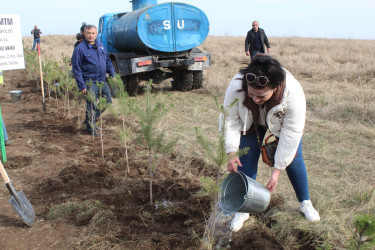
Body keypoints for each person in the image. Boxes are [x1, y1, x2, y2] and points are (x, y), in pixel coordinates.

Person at [220, 54, 320, 232]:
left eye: (261, 96)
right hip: (250, 121)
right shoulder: (236, 85)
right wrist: (231, 152)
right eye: (251, 94)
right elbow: (230, 119)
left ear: (274, 88)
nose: (255, 100)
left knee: (294, 160)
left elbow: (291, 135)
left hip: (280, 125)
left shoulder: (293, 93)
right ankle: (243, 210)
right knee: (246, 157)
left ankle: (305, 202)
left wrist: (277, 170)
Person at [71, 24, 115, 137]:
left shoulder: (101, 46)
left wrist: (112, 73)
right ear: (84, 34)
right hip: (89, 83)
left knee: (108, 101)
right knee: (91, 105)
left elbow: (107, 61)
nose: (91, 35)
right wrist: (82, 86)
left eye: (93, 33)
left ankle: (90, 120)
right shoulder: (80, 49)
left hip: (102, 81)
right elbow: (76, 68)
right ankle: (91, 130)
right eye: (88, 33)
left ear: (96, 34)